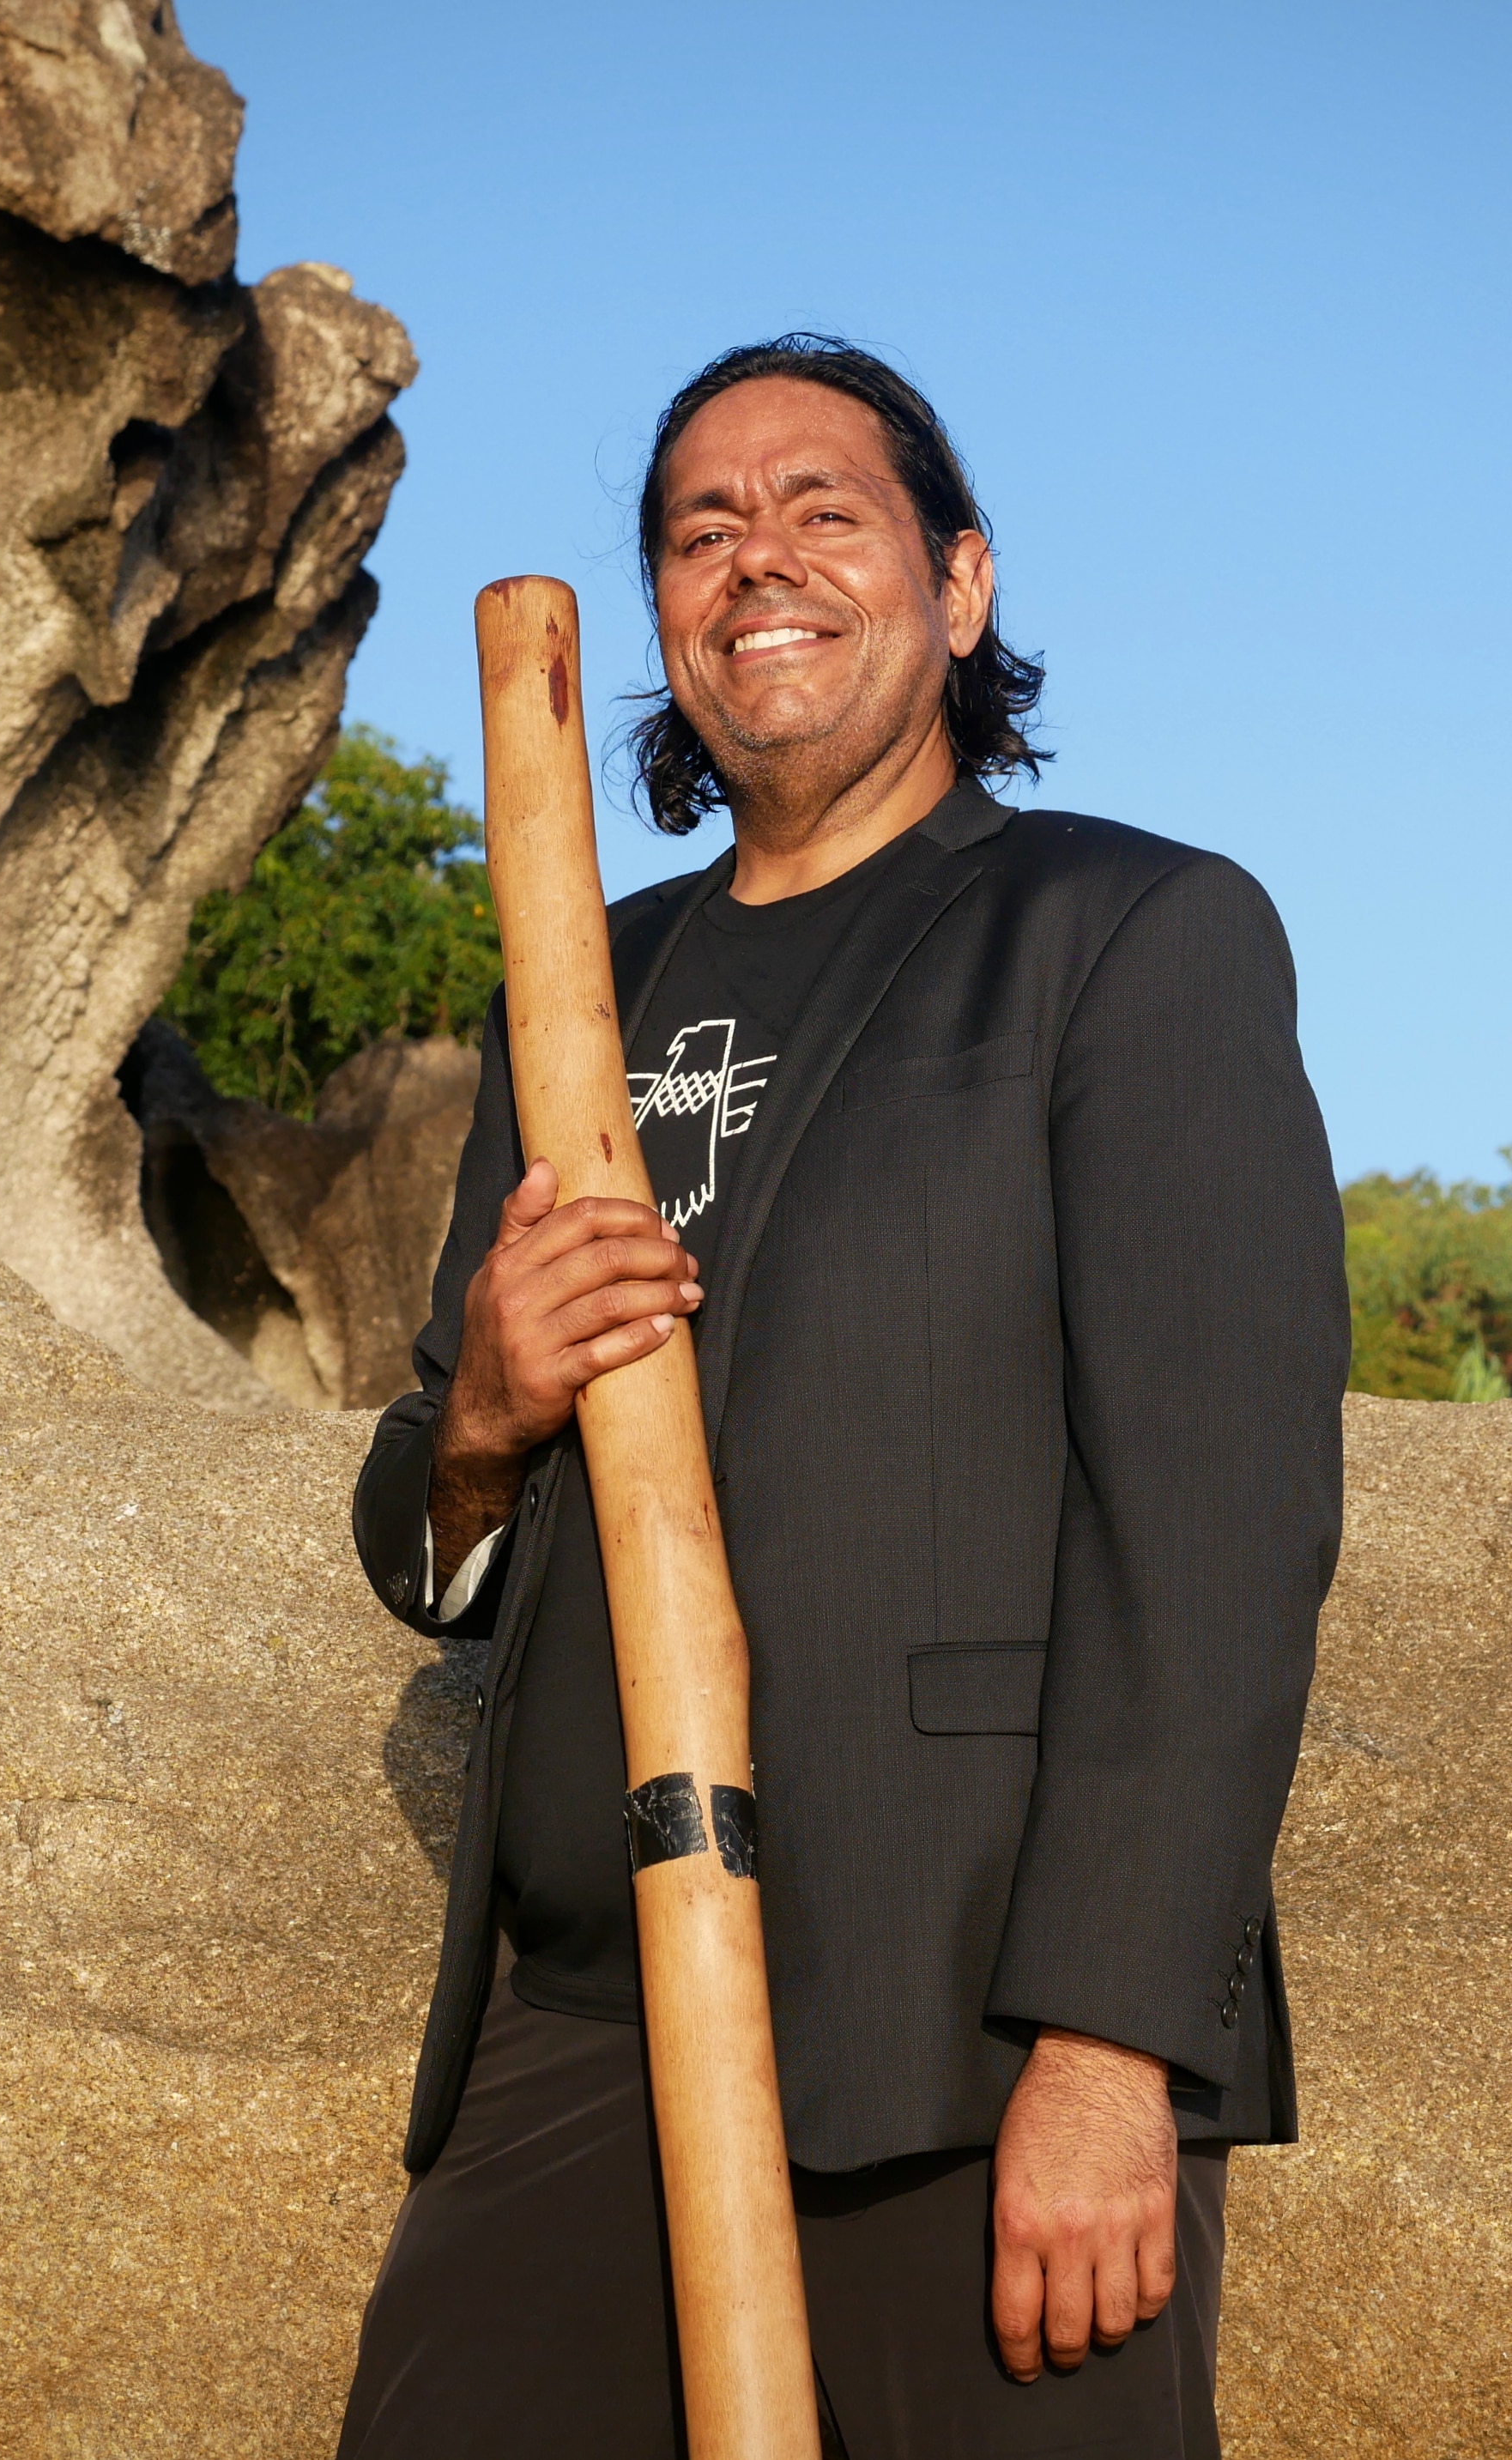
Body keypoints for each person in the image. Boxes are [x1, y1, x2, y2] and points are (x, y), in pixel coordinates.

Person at [337, 335, 1347, 2460]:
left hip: (965, 2035)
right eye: (700, 529)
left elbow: (1217, 1536)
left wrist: (1107, 2046)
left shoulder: (1121, 933)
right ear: (663, 625)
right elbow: (419, 1530)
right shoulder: (574, 987)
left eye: (823, 510)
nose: (755, 559)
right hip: (582, 2021)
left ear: (958, 585)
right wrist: (489, 1412)